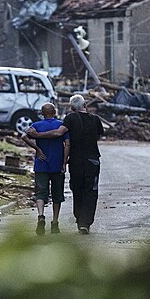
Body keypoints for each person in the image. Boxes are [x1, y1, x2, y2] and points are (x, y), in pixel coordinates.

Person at [26, 94, 104, 235]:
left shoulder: (70, 118)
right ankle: (85, 223)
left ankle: (79, 219)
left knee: (78, 190)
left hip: (75, 162)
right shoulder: (96, 119)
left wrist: (38, 136)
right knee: (91, 191)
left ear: (72, 107)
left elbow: (58, 133)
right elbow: (98, 136)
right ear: (85, 104)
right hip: (92, 161)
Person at [22, 103, 70, 236]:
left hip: (41, 163)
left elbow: (24, 137)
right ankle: (55, 223)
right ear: (54, 112)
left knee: (41, 192)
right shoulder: (61, 125)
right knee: (57, 194)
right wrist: (64, 162)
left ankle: (41, 215)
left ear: (42, 113)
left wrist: (37, 149)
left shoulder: (36, 126)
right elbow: (67, 144)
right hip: (57, 163)